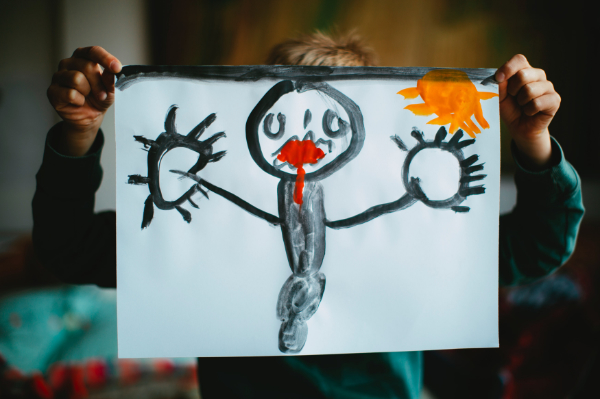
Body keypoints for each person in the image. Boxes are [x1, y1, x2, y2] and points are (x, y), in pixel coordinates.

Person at [34, 32, 584, 398]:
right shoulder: (201, 231)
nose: (304, 147)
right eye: (281, 124)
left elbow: (539, 246)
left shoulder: (417, 233)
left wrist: (534, 140)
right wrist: (79, 133)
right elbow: (67, 247)